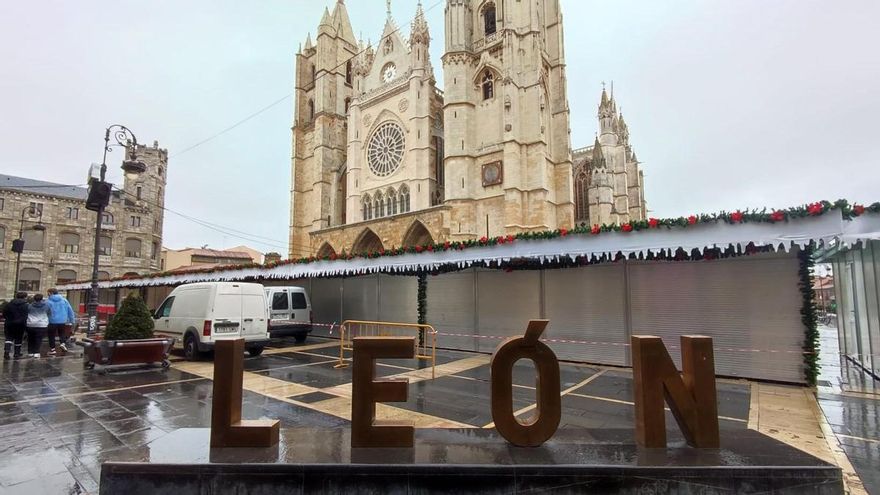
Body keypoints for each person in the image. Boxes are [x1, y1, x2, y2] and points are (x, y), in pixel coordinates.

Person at [46, 288, 76, 355]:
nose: (47, 294)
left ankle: (53, 350)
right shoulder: (64, 300)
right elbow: (70, 310)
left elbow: (45, 311)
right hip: (62, 321)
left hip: (52, 321)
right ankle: (62, 343)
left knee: (51, 335)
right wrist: (72, 320)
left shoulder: (48, 301)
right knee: (62, 333)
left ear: (51, 293)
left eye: (48, 292)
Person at [3, 292, 29, 359]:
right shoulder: (26, 305)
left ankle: (6, 351)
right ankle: (17, 353)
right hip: (20, 324)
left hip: (9, 323)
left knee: (8, 338)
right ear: (25, 297)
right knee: (18, 338)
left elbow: (4, 313)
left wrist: (8, 319)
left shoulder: (9, 304)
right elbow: (27, 315)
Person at [26, 293, 51, 358]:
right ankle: (36, 352)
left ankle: (30, 352)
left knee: (30, 338)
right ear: (42, 299)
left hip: (30, 324)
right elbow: (49, 313)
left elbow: (26, 313)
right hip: (42, 325)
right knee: (38, 339)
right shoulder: (46, 306)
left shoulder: (29, 306)